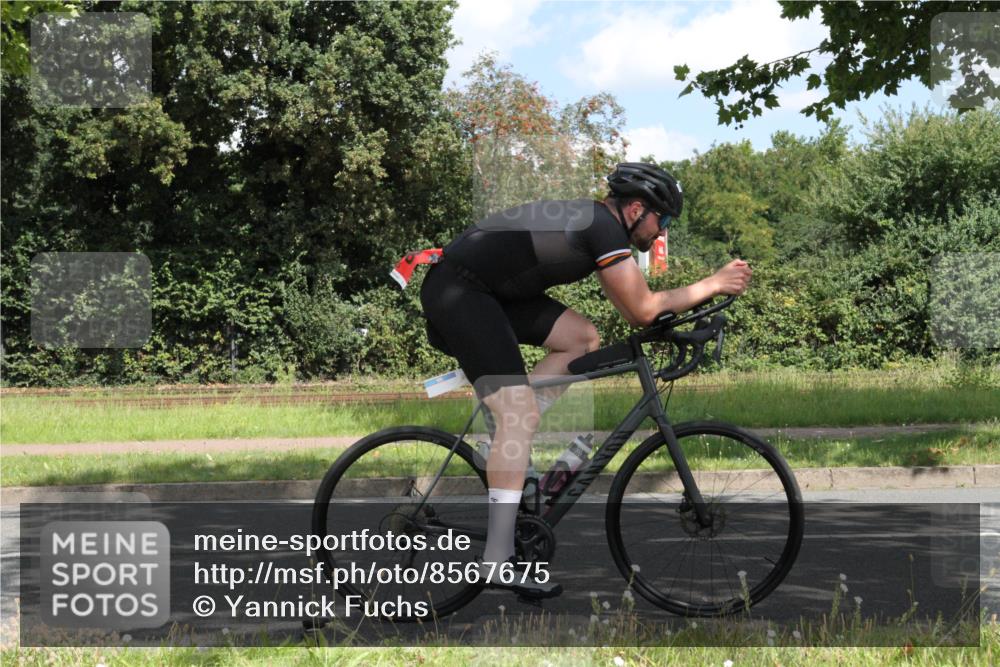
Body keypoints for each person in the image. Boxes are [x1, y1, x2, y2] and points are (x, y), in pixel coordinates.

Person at [419, 163, 752, 598]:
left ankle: (504, 443)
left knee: (582, 337)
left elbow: (637, 311)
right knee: (518, 418)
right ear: (636, 209)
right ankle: (497, 560)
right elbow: (642, 310)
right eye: (663, 220)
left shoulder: (596, 224)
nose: (662, 232)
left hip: (489, 292)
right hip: (460, 292)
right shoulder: (602, 228)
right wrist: (714, 283)